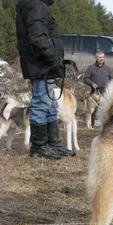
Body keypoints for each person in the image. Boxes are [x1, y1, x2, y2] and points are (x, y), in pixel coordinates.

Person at [16, 0, 75, 160]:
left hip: (42, 65)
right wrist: (53, 58)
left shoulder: (35, 6)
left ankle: (52, 143)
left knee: (50, 105)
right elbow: (37, 37)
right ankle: (39, 146)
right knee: (42, 103)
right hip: (41, 64)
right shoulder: (36, 6)